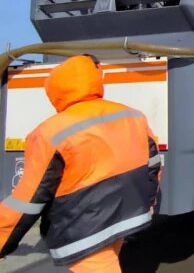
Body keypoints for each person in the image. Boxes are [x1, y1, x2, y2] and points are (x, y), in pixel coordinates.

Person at [0, 54, 161, 272]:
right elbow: (153, 164)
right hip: (126, 215)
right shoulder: (132, 115)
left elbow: (27, 200)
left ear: (54, 91)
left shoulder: (49, 132)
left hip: (86, 227)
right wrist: (147, 202)